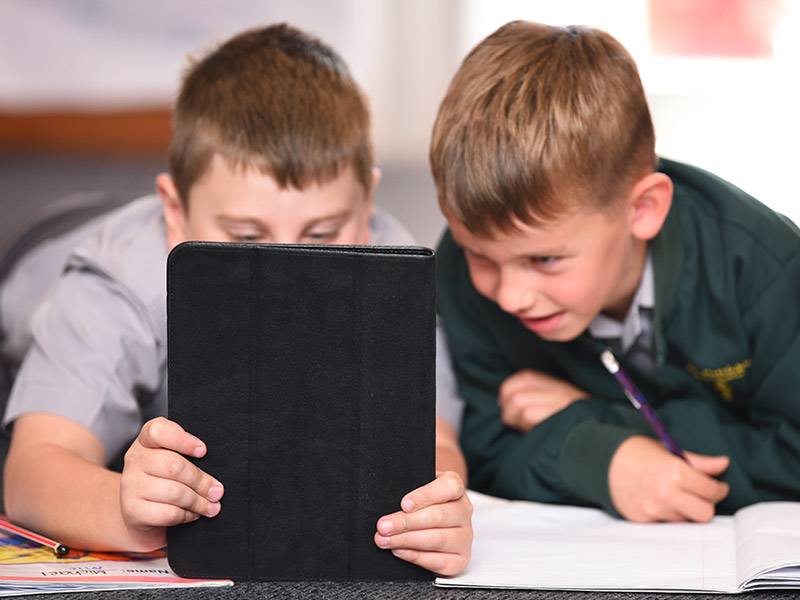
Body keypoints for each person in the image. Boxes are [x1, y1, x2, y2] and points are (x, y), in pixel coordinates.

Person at [1, 23, 471, 575]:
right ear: (175, 213)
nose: (286, 269)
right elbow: (32, 469)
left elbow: (430, 437)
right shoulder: (116, 285)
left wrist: (435, 508)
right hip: (33, 296)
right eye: (246, 238)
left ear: (367, 205)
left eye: (321, 235)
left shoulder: (394, 265)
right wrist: (126, 509)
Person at [430, 20, 800, 523]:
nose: (512, 295)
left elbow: (793, 460)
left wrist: (603, 426)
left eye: (545, 260)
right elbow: (481, 448)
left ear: (643, 210)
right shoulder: (457, 265)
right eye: (482, 257)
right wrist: (597, 461)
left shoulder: (766, 267)